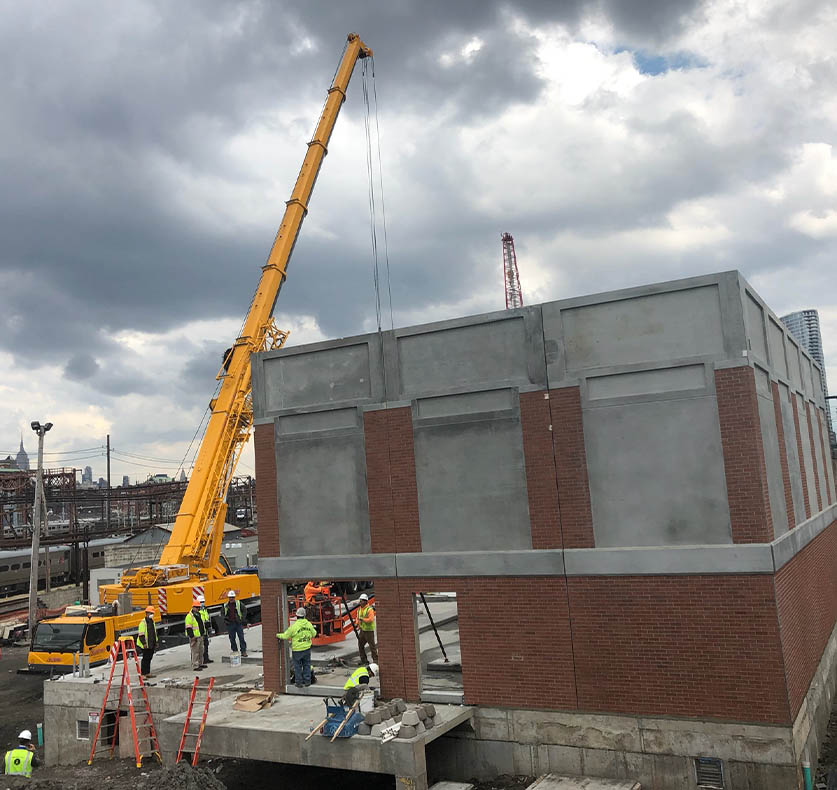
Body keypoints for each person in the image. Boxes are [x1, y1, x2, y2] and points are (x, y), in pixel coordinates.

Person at [277, 607, 317, 688]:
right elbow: (314, 634)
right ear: (304, 616)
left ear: (297, 616)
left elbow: (285, 636)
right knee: (307, 665)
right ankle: (307, 681)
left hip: (297, 650)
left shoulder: (294, 626)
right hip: (306, 649)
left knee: (297, 666)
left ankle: (298, 682)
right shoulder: (309, 624)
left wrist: (277, 635)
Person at [224, 590, 248, 657]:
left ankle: (243, 651)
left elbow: (244, 610)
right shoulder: (225, 605)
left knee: (241, 638)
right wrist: (226, 621)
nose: (231, 599)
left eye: (232, 597)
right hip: (230, 624)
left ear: (234, 597)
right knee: (232, 638)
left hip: (238, 623)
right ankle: (235, 651)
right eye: (230, 597)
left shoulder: (239, 604)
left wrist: (242, 619)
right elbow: (222, 614)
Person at [356, 593, 378, 665]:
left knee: (372, 646)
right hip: (362, 630)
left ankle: (376, 661)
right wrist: (357, 625)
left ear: (366, 601)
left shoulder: (369, 609)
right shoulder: (359, 610)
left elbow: (370, 619)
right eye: (360, 600)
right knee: (360, 645)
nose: (360, 602)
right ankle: (364, 660)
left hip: (369, 631)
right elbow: (357, 618)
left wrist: (362, 619)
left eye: (362, 601)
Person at [184, 601, 206, 672]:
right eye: (196, 607)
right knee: (195, 651)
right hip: (195, 637)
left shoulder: (199, 614)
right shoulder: (189, 616)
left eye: (198, 607)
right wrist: (192, 636)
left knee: (201, 650)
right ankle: (195, 665)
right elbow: (188, 627)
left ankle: (200, 663)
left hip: (200, 635)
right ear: (193, 607)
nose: (198, 609)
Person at [136, 606, 157, 678]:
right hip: (145, 644)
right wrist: (144, 643)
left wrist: (156, 642)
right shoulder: (143, 622)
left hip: (151, 643)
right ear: (147, 613)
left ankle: (147, 672)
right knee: (145, 659)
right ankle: (143, 674)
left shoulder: (152, 622)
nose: (152, 614)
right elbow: (141, 634)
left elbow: (154, 633)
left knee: (149, 658)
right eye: (151, 613)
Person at [198, 595, 213, 664]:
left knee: (206, 645)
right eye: (201, 602)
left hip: (205, 631)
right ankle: (200, 660)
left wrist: (209, 627)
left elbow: (207, 619)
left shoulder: (205, 610)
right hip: (199, 632)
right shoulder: (196, 612)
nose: (202, 603)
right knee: (199, 647)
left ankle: (206, 658)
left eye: (203, 602)